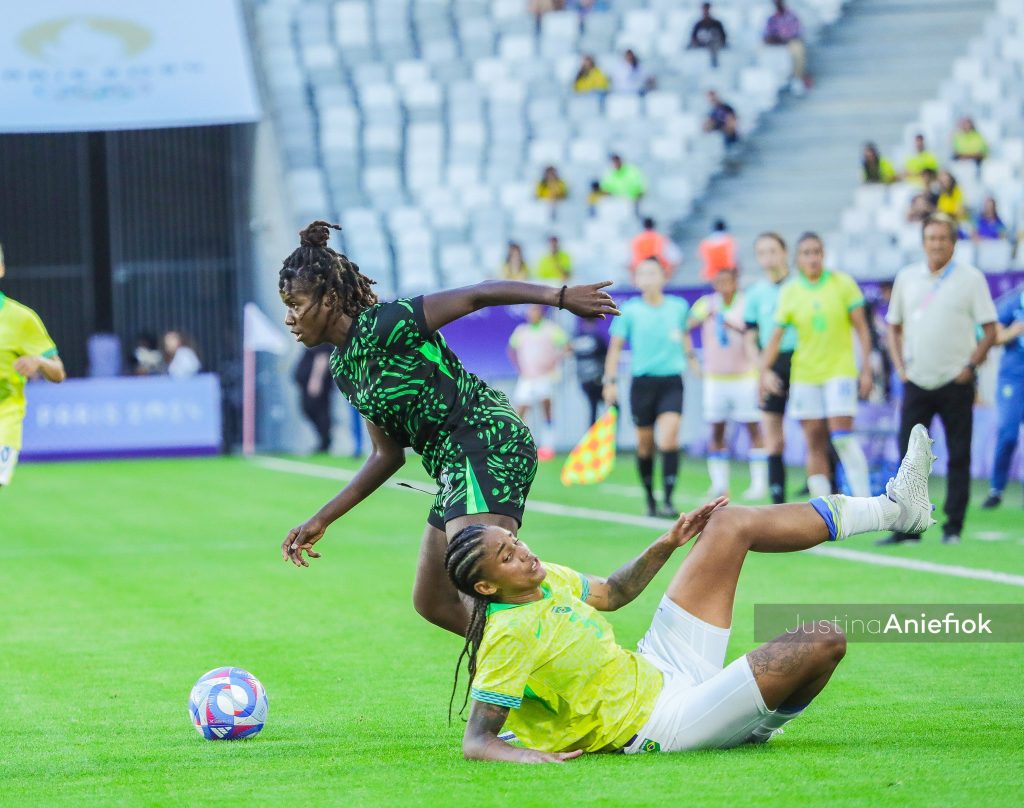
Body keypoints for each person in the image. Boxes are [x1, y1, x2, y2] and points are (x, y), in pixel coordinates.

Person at [445, 425, 937, 761]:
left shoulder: (544, 576)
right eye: (508, 557)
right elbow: (478, 741)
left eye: (515, 541)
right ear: (487, 587)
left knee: (727, 523)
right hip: (662, 723)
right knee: (822, 640)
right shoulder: (507, 634)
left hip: (659, 665)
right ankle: (749, 729)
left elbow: (614, 592)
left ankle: (894, 510)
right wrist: (529, 755)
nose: (523, 552)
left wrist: (667, 542)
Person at [277, 221, 619, 637]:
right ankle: (558, 647)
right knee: (434, 601)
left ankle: (558, 662)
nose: (289, 318)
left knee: (484, 589)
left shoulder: (387, 323)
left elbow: (479, 293)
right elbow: (387, 455)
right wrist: (322, 519)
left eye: (294, 304)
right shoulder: (344, 369)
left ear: (329, 298)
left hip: (485, 441)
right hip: (453, 467)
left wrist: (561, 298)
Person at [882, 213, 997, 544]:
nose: (936, 244)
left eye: (943, 238)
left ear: (954, 242)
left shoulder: (971, 279)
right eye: (931, 238)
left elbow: (990, 329)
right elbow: (893, 325)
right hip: (916, 380)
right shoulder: (907, 277)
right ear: (923, 242)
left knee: (959, 455)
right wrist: (900, 368)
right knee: (909, 459)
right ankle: (908, 528)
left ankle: (953, 527)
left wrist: (970, 366)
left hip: (956, 381)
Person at [760, 233, 874, 500]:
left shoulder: (843, 284)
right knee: (814, 441)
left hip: (839, 371)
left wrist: (866, 367)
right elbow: (775, 338)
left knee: (842, 437)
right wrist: (763, 372)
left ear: (823, 255)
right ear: (798, 259)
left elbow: (861, 328)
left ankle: (864, 501)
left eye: (817, 252)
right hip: (805, 375)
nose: (812, 258)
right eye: (807, 253)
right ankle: (824, 508)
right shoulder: (791, 292)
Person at [603, 260, 699, 517]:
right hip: (642, 385)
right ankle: (650, 498)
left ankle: (668, 499)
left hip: (671, 381)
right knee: (645, 446)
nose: (648, 278)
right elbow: (615, 348)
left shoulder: (678, 307)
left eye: (652, 272)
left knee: (669, 439)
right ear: (636, 279)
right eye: (642, 273)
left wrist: (691, 358)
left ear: (663, 277)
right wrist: (609, 381)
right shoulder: (631, 310)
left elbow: (685, 335)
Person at [688, 269, 767, 500]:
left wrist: (734, 326)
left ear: (736, 282)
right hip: (716, 378)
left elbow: (755, 332)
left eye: (728, 281)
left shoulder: (746, 304)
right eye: (719, 282)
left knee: (753, 427)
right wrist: (692, 358)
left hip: (744, 376)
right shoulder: (707, 304)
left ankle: (759, 483)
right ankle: (720, 484)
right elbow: (687, 326)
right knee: (716, 429)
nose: (724, 286)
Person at [0, 245, 66, 490]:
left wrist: (39, 362)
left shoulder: (21, 319)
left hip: (3, 420)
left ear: (1, 269)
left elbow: (58, 373)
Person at [744, 232, 797, 504]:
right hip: (771, 365)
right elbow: (750, 337)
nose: (768, 257)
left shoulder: (800, 286)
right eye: (762, 252)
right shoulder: (755, 294)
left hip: (803, 362)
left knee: (817, 433)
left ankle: (831, 498)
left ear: (784, 252)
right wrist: (763, 370)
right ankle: (779, 503)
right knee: (773, 438)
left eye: (772, 250)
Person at [508, 304, 569, 462]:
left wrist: (554, 362)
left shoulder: (551, 329)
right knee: (520, 411)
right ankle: (517, 444)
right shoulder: (522, 331)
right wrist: (519, 367)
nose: (531, 314)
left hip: (545, 377)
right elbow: (511, 349)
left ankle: (548, 446)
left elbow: (567, 347)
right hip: (527, 377)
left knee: (546, 409)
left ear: (540, 313)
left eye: (534, 311)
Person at [982, 285, 1024, 509]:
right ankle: (996, 489)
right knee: (1008, 434)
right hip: (1014, 378)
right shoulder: (1014, 302)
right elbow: (993, 336)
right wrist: (1013, 332)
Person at [294, 343, 334, 454]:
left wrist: (316, 381)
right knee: (309, 409)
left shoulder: (321, 341)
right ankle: (323, 441)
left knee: (319, 412)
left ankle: (325, 442)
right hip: (307, 385)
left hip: (316, 386)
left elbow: (322, 358)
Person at [763, 0, 808, 95]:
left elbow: (799, 31)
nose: (778, 5)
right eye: (776, 3)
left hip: (791, 41)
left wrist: (787, 38)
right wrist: (776, 39)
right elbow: (766, 35)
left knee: (797, 48)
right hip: (777, 43)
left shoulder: (792, 16)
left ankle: (797, 77)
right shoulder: (771, 18)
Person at [570, 318, 608, 426]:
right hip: (597, 379)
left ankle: (595, 438)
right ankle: (605, 437)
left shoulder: (577, 338)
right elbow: (605, 357)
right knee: (612, 406)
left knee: (593, 408)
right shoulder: (597, 337)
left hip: (584, 380)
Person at [689, 2, 727, 67]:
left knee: (714, 46)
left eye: (707, 9)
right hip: (701, 44)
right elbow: (693, 37)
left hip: (714, 44)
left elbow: (723, 37)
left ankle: (714, 65)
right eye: (704, 9)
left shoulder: (717, 23)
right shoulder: (698, 24)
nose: (706, 11)